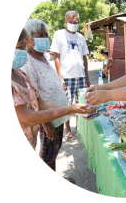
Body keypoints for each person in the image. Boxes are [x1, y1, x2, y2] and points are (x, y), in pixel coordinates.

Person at [11, 29, 99, 174]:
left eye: (22, 47)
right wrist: (70, 110)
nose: (22, 52)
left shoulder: (20, 73)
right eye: (20, 48)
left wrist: (75, 109)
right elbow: (26, 118)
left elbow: (41, 104)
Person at [21, 19, 75, 184]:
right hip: (46, 118)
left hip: (55, 115)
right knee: (47, 156)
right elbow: (34, 99)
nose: (45, 38)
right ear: (28, 39)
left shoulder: (43, 57)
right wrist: (46, 123)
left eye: (46, 35)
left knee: (54, 153)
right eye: (40, 35)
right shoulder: (27, 63)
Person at [51, 11, 91, 141]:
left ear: (79, 22)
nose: (73, 24)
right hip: (66, 76)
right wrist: (60, 77)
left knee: (81, 103)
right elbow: (56, 57)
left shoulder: (80, 37)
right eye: (70, 21)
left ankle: (79, 126)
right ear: (65, 21)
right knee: (67, 104)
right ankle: (67, 130)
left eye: (75, 22)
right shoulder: (59, 35)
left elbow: (84, 58)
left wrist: (87, 78)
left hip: (80, 76)